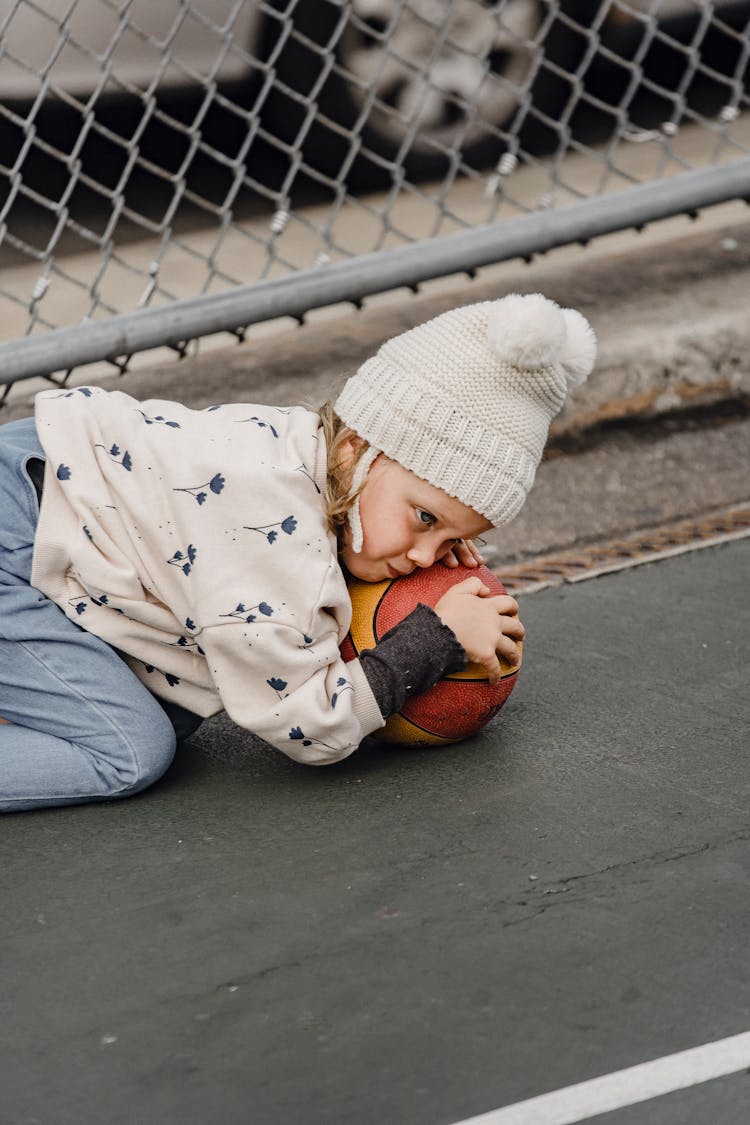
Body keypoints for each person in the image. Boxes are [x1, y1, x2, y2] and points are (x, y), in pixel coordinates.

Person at [0, 291, 595, 812]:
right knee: (130, 748)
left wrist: (428, 531)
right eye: (424, 518)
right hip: (14, 533)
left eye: (455, 539)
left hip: (39, 494)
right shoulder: (272, 529)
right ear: (355, 452)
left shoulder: (296, 447)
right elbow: (308, 726)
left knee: (174, 698)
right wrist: (433, 638)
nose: (424, 558)